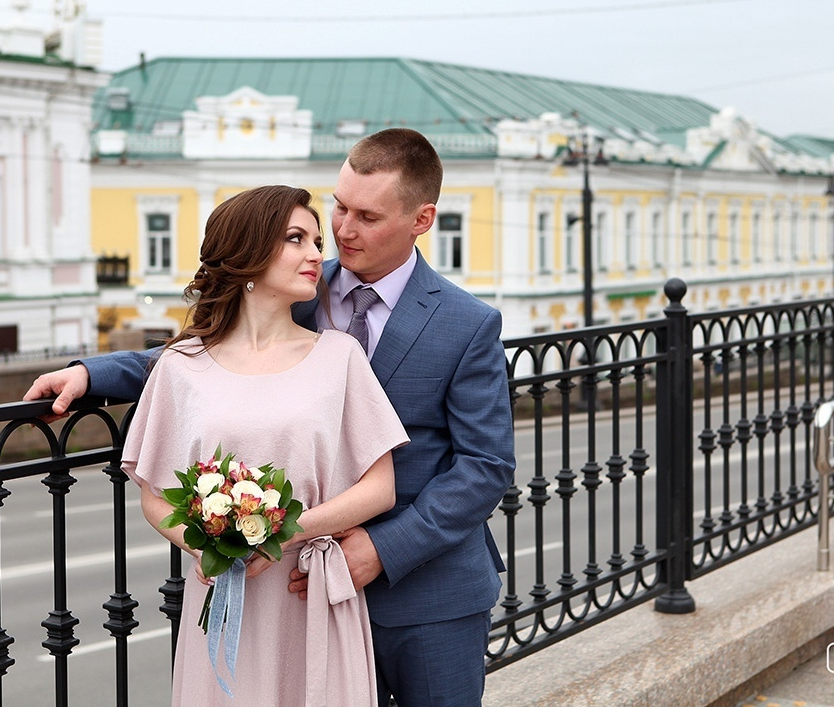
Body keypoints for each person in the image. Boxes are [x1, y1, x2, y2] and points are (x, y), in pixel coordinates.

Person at [25, 129, 516, 707]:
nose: (342, 230)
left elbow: (484, 467)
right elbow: (215, 352)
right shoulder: (299, 282)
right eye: (338, 206)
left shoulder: (467, 323)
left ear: (421, 218)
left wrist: (381, 550)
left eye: (366, 215)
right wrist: (93, 375)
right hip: (293, 597)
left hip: (426, 594)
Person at [120, 184, 409, 706]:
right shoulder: (181, 366)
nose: (316, 254)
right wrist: (213, 546)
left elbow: (381, 488)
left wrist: (276, 532)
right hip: (225, 594)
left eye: (316, 240)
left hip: (312, 589)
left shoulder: (339, 356)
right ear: (249, 253)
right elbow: (153, 497)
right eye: (295, 239)